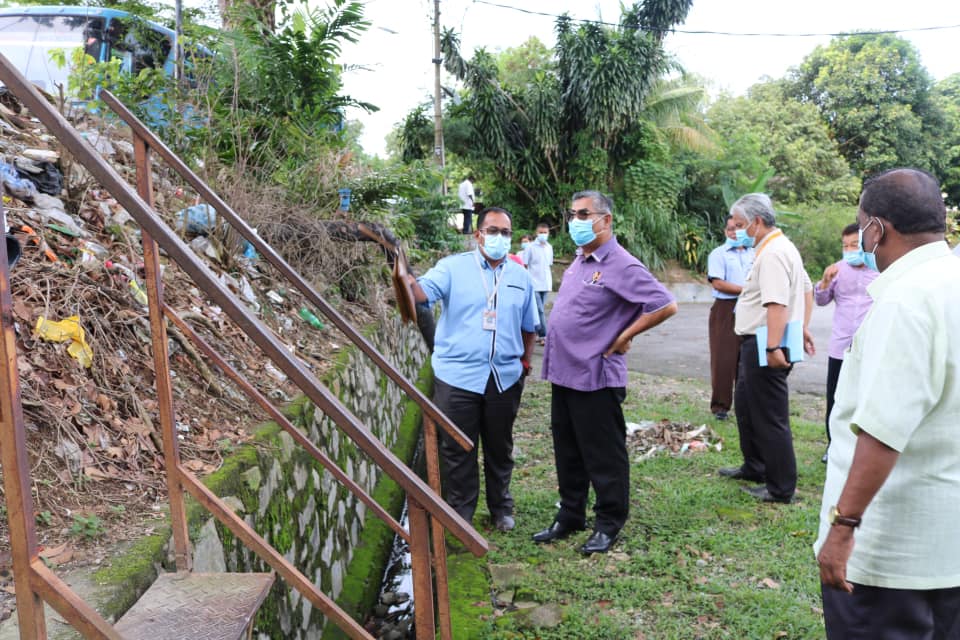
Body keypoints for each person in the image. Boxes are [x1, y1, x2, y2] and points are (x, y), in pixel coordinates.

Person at [815, 168, 960, 638]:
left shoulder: (906, 301)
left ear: (876, 229)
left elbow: (882, 431)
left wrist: (842, 528)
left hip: (890, 555)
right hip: (945, 545)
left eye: (861, 227)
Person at [534, 191, 677, 554]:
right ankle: (570, 514)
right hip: (565, 373)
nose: (577, 221)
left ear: (606, 220)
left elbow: (663, 304)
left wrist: (625, 335)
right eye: (573, 213)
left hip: (595, 375)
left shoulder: (621, 264)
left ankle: (609, 521)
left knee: (603, 454)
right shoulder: (580, 261)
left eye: (585, 214)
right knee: (568, 450)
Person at [409, 207, 537, 532]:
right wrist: (403, 277)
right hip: (457, 377)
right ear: (478, 234)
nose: (499, 238)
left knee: (500, 446)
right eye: (493, 231)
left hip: (504, 377)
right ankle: (460, 513)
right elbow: (423, 294)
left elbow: (529, 326)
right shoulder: (452, 268)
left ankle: (501, 509)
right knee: (457, 448)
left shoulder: (521, 277)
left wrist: (525, 362)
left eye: (505, 232)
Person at [717, 193, 814, 504]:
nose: (738, 231)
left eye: (741, 224)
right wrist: (803, 326)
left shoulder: (773, 253)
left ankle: (781, 487)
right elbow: (806, 289)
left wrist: (773, 346)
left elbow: (776, 303)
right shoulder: (777, 248)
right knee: (746, 406)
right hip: (758, 340)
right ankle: (755, 466)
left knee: (770, 415)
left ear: (757, 222)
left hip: (765, 341)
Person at [813, 223, 878, 463]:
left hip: (870, 348)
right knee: (835, 399)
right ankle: (832, 446)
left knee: (864, 400)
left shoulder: (880, 271)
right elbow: (821, 300)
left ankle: (860, 450)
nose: (850, 250)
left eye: (855, 245)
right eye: (845, 246)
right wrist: (824, 282)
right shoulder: (837, 270)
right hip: (840, 348)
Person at [706, 215, 755, 420]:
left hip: (752, 308)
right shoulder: (719, 254)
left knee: (749, 360)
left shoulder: (756, 253)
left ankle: (748, 406)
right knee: (723, 359)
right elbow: (718, 283)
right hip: (726, 310)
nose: (734, 232)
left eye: (738, 227)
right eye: (729, 229)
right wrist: (747, 290)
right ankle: (721, 407)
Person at [522, 221, 553, 346]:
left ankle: (534, 332)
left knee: (539, 311)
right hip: (534, 284)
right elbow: (525, 264)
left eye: (545, 233)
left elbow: (549, 264)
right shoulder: (530, 247)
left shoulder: (549, 247)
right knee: (540, 310)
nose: (543, 235)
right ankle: (544, 335)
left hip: (546, 284)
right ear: (536, 233)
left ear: (548, 233)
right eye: (541, 233)